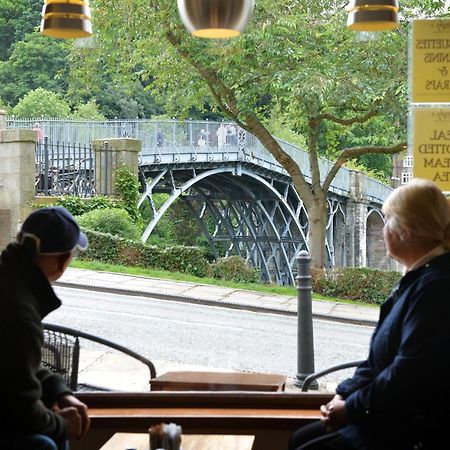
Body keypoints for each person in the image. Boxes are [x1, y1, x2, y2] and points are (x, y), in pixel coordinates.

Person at [289, 178, 450, 450]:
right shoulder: (423, 278)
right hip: (387, 417)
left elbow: (408, 374)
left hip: (406, 432)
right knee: (300, 438)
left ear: (406, 230)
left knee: (306, 446)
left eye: (388, 221)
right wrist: (343, 395)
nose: (383, 230)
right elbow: (377, 360)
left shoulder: (436, 287)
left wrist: (351, 409)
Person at [0, 207, 91, 450]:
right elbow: (21, 411)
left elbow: (14, 366)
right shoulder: (20, 314)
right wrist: (62, 424)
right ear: (63, 261)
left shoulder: (9, 282)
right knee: (47, 443)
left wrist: (58, 392)